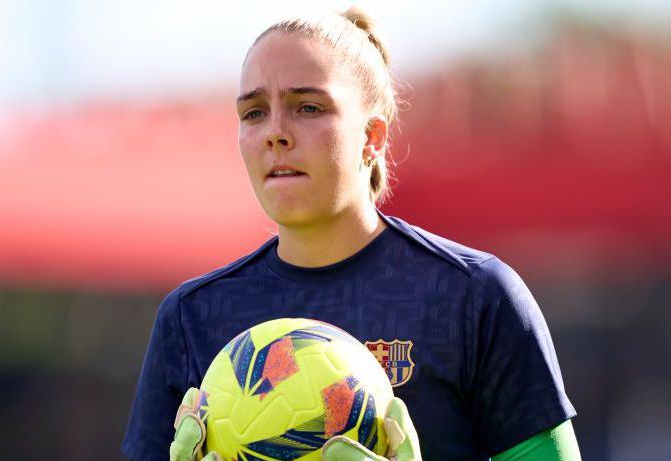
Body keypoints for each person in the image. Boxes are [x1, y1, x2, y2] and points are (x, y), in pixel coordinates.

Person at [122, 7, 580, 461]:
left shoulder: (474, 296)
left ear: (373, 137)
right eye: (254, 112)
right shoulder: (192, 317)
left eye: (308, 107)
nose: (275, 133)